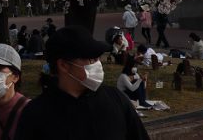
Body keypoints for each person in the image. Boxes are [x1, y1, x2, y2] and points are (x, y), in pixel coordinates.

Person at [15, 26, 149, 140]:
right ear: (63, 65)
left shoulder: (116, 100)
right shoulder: (36, 115)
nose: (97, 64)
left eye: (97, 58)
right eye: (91, 59)